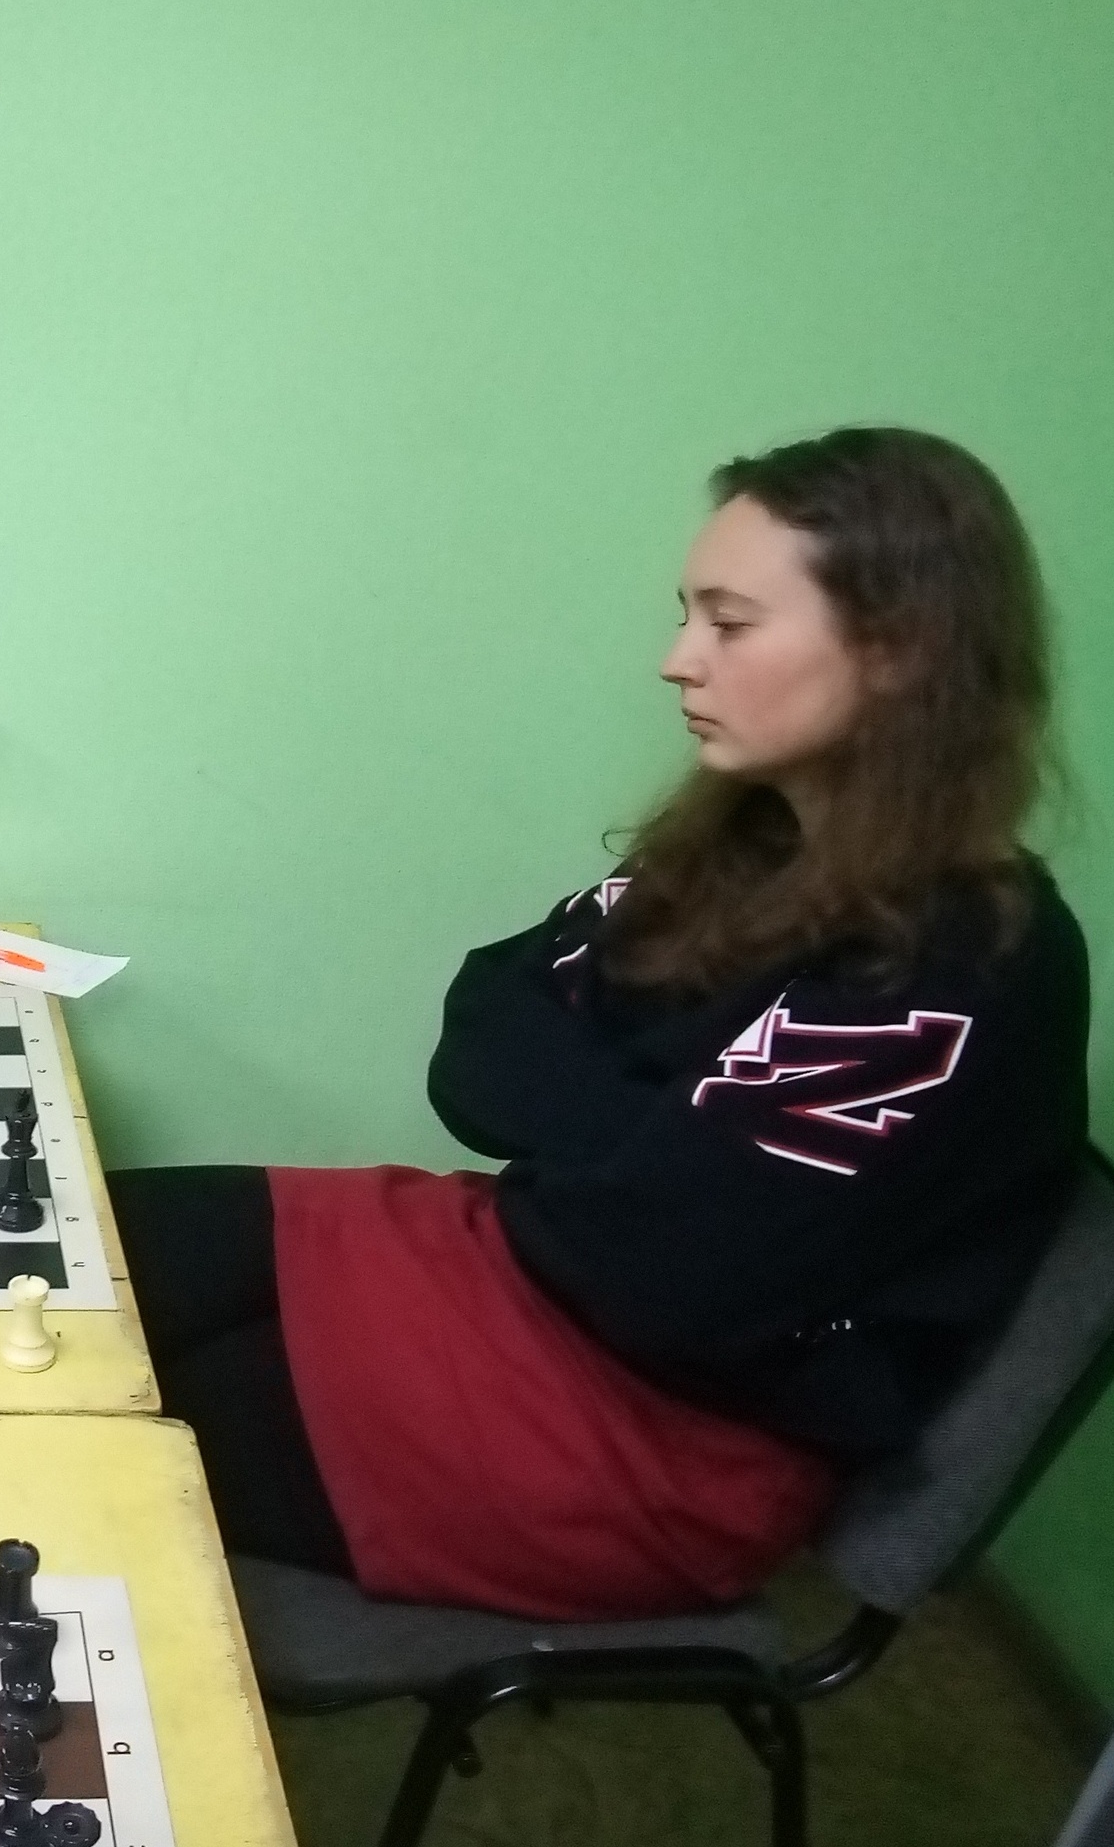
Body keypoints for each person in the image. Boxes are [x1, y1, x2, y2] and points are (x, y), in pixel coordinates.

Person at [111, 427, 1091, 1623]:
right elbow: (480, 1030)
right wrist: (656, 1134)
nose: (678, 661)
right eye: (687, 616)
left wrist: (616, 1132)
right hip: (490, 1264)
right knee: (49, 1270)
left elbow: (662, 1278)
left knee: (72, 1420)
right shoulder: (745, 843)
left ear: (897, 648)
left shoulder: (965, 958)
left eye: (730, 624)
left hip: (645, 1442)